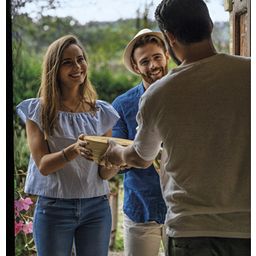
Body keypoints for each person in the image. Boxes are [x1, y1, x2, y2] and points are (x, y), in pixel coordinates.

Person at [100, 0, 251, 255]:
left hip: (190, 231)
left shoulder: (158, 94)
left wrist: (116, 152)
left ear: (169, 39)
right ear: (210, 25)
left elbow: (139, 156)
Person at [16, 35, 119, 256]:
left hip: (97, 207)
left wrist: (116, 162)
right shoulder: (38, 111)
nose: (77, 66)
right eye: (67, 62)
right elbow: (43, 165)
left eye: (80, 59)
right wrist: (73, 150)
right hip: (54, 208)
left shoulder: (102, 112)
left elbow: (103, 172)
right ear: (54, 69)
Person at [100, 28, 169, 256]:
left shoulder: (184, 94)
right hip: (140, 206)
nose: (152, 65)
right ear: (136, 67)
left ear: (167, 56)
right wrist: (130, 156)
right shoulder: (122, 104)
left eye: (157, 57)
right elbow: (114, 150)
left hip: (182, 209)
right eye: (145, 61)